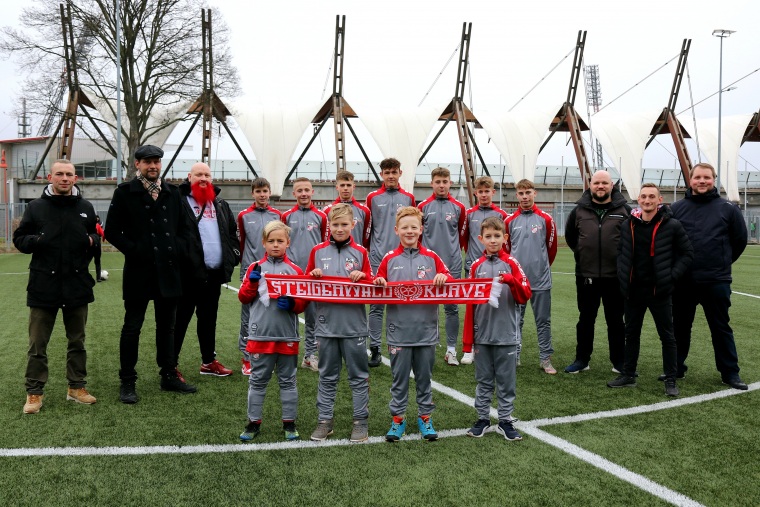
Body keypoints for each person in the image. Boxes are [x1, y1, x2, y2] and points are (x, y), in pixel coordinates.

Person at [105, 145, 197, 404]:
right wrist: (136, 251)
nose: (153, 166)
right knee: (132, 327)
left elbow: (184, 228)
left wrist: (177, 250)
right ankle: (127, 381)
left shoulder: (172, 192)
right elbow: (112, 231)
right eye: (148, 162)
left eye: (156, 161)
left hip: (169, 270)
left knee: (167, 327)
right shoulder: (124, 192)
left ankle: (168, 375)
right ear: (137, 164)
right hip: (139, 271)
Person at [13, 160, 99, 414]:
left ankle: (76, 387)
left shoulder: (85, 207)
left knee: (78, 342)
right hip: (43, 285)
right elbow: (20, 239)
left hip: (76, 284)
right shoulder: (36, 207)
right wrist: (38, 240)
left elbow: (95, 236)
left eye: (69, 174)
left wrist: (90, 240)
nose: (64, 178)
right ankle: (34, 393)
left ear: (75, 178)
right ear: (50, 177)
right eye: (59, 174)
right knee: (37, 345)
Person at [373, 206, 453, 442]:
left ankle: (425, 418)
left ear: (421, 230)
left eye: (414, 227)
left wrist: (443, 277)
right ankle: (398, 420)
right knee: (398, 380)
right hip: (398, 333)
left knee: (424, 379)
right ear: (397, 230)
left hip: (426, 332)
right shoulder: (389, 259)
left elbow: (450, 279)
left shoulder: (432, 257)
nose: (409, 231)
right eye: (405, 227)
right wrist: (378, 280)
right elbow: (376, 284)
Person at [608, 184, 693, 397]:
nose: (647, 200)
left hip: (659, 291)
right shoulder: (629, 224)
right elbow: (621, 252)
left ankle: (671, 379)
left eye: (651, 197)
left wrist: (670, 277)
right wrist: (622, 274)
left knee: (667, 336)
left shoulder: (672, 225)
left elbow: (687, 254)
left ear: (659, 199)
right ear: (639, 199)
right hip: (633, 291)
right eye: (644, 196)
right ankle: (628, 374)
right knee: (631, 333)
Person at [670, 163, 749, 390]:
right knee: (680, 327)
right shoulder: (677, 208)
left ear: (714, 180)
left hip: (716, 280)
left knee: (720, 327)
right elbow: (670, 243)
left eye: (707, 177)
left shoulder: (728, 209)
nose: (702, 181)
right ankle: (676, 368)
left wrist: (722, 262)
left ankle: (730, 373)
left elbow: (739, 241)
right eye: (697, 177)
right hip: (684, 281)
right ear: (690, 180)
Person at [307, 204, 373, 442]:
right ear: (328, 226)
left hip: (354, 326)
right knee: (327, 376)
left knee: (358, 376)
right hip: (325, 326)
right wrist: (312, 276)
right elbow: (305, 285)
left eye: (344, 224)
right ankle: (325, 421)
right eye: (335, 224)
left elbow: (374, 284)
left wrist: (364, 277)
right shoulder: (317, 252)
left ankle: (360, 421)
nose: (340, 228)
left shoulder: (361, 253)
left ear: (353, 225)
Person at [238, 221, 308, 441]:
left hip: (287, 336)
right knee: (258, 380)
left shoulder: (295, 270)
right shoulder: (255, 267)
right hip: (260, 335)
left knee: (288, 380)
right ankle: (253, 423)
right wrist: (251, 283)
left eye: (280, 241)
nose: (275, 245)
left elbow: (304, 302)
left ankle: (289, 423)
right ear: (263, 243)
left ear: (288, 242)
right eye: (271, 241)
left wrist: (294, 304)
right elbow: (243, 297)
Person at [464, 217, 531, 440]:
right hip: (482, 336)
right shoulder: (475, 266)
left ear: (505, 238)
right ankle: (482, 418)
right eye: (488, 237)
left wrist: (512, 281)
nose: (493, 240)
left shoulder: (512, 263)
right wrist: (468, 341)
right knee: (483, 380)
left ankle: (505, 419)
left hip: (507, 335)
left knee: (506, 381)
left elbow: (525, 295)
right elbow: (470, 305)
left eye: (497, 236)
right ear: (480, 239)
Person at [174, 162, 239, 377]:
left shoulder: (220, 204)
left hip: (213, 274)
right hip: (187, 275)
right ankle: (170, 365)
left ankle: (208, 362)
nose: (203, 178)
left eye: (207, 175)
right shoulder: (179, 201)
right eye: (199, 174)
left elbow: (231, 234)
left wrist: (234, 255)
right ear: (189, 177)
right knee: (179, 320)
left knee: (209, 319)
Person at [564, 171, 630, 374]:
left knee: (616, 321)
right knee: (586, 320)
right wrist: (585, 255)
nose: (600, 186)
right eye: (596, 183)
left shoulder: (625, 210)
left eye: (604, 183)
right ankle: (582, 360)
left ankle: (619, 361)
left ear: (612, 185)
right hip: (586, 276)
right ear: (590, 185)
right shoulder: (578, 211)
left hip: (615, 277)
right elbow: (571, 238)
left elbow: (630, 240)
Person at [365, 158, 416, 367]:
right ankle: (375, 348)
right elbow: (368, 228)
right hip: (378, 257)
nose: (391, 176)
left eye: (394, 172)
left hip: (403, 258)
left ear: (400, 173)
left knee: (404, 302)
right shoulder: (372, 198)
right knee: (377, 306)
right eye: (387, 172)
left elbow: (414, 226)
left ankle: (406, 344)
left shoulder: (409, 197)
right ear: (382, 175)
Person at [504, 179, 558, 374]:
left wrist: (540, 267)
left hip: (540, 280)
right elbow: (507, 251)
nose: (525, 197)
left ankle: (545, 359)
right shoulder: (509, 221)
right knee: (516, 320)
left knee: (543, 321)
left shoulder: (546, 219)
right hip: (518, 281)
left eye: (528, 192)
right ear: (517, 195)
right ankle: (515, 356)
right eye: (521, 193)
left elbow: (551, 250)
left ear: (534, 194)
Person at [418, 167, 466, 366]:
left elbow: (462, 237)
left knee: (451, 309)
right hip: (428, 266)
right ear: (432, 183)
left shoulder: (459, 208)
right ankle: (425, 348)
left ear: (450, 183)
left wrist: (454, 257)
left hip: (452, 264)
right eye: (438, 181)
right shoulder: (422, 206)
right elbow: (418, 236)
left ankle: (451, 350)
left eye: (445, 181)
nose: (441, 185)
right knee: (426, 309)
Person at [461, 175, 508, 365]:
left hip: (497, 268)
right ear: (475, 193)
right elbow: (464, 238)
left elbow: (506, 241)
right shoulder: (469, 214)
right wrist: (474, 260)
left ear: (493, 192)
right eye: (480, 191)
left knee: (497, 307)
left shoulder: (502, 215)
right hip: (475, 268)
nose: (483, 195)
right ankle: (469, 348)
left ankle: (498, 344)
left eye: (486, 191)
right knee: (473, 308)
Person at [237, 177, 282, 376]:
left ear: (269, 192)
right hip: (252, 270)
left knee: (271, 313)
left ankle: (267, 354)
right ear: (252, 194)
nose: (262, 195)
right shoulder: (244, 215)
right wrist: (247, 266)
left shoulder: (277, 214)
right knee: (248, 315)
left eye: (265, 191)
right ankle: (246, 356)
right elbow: (242, 242)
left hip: (273, 271)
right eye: (258, 191)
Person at [282, 177, 327, 372]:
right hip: (292, 275)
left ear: (312, 192)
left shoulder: (322, 217)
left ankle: (309, 356)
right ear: (294, 194)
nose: (303, 193)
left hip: (313, 276)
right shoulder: (286, 217)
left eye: (306, 190)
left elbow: (324, 245)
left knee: (312, 318)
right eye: (299, 190)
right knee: (287, 315)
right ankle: (286, 354)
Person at [322, 170, 371, 246]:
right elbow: (324, 236)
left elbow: (366, 237)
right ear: (337, 187)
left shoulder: (365, 211)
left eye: (348, 185)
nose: (345, 188)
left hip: (356, 254)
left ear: (353, 186)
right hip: (333, 254)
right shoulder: (327, 210)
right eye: (342, 185)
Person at [94, 215, 106, 282]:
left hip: (90, 244)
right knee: (97, 261)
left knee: (86, 260)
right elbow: (102, 233)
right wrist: (103, 238)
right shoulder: (98, 225)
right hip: (97, 244)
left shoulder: (88, 225)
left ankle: (82, 275)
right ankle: (98, 278)